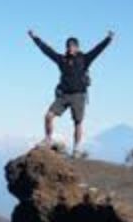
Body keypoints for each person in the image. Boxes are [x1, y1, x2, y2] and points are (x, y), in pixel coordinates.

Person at [27, 28, 114, 156]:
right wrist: (34, 38)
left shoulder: (84, 59)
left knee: (78, 122)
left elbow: (97, 50)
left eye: (73, 46)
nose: (70, 48)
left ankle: (77, 148)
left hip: (79, 95)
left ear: (77, 47)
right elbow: (47, 50)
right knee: (48, 116)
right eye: (68, 46)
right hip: (63, 95)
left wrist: (108, 39)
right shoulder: (62, 59)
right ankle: (48, 139)